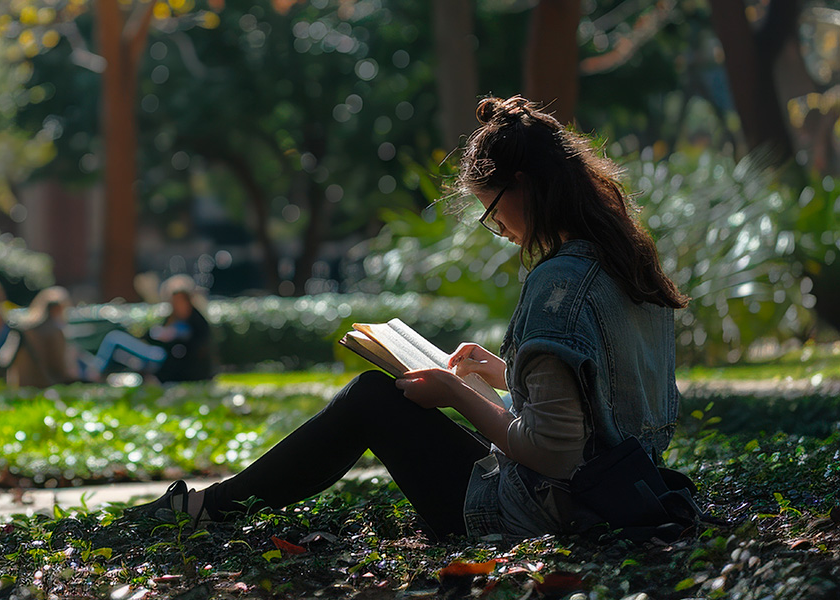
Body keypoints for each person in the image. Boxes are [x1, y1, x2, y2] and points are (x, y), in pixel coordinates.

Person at [123, 96, 692, 542]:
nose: (502, 230)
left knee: (373, 398)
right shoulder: (627, 262)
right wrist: (501, 374)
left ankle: (204, 510)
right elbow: (601, 415)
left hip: (550, 511)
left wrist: (456, 394)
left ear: (523, 187)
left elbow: (554, 455)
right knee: (379, 397)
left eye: (493, 213)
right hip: (626, 491)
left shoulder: (557, 284)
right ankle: (207, 506)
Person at [94, 275, 214, 383]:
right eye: (174, 301)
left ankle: (94, 374)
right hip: (160, 355)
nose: (177, 305)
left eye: (180, 301)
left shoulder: (197, 322)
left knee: (116, 341)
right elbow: (151, 336)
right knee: (115, 340)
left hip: (171, 363)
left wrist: (173, 338)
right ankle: (96, 371)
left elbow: (194, 350)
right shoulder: (172, 317)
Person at [3, 286, 90, 388]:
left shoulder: (24, 329)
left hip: (20, 384)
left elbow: (4, 360)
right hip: (45, 383)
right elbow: (59, 369)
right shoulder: (54, 331)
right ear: (58, 309)